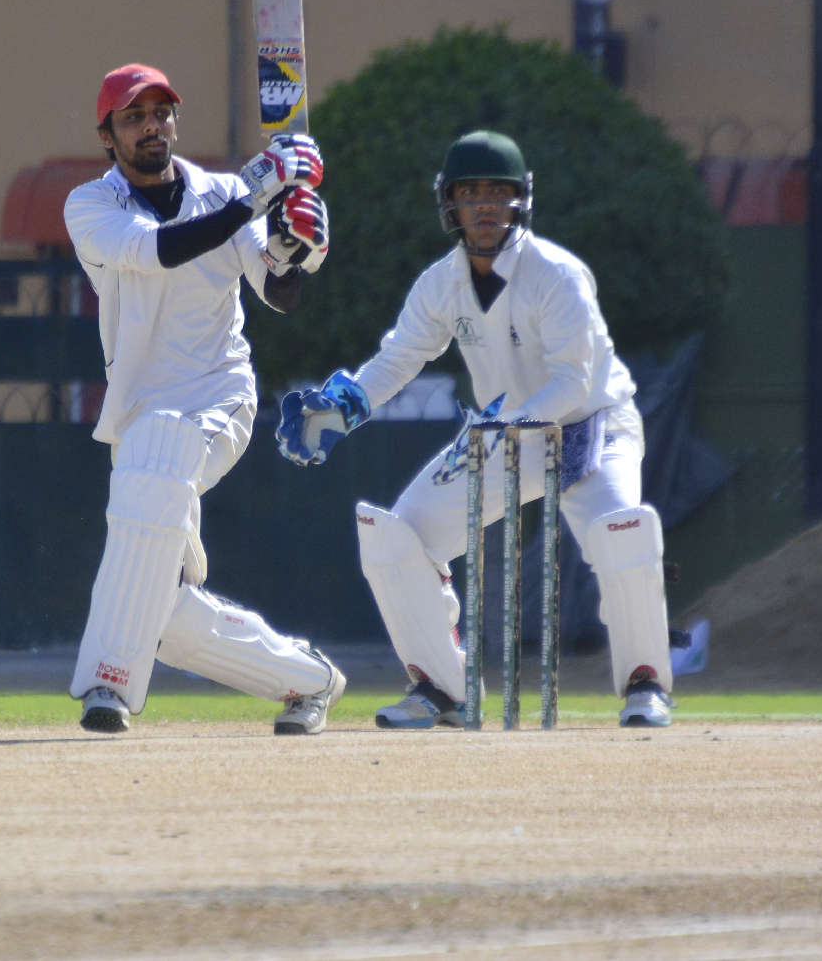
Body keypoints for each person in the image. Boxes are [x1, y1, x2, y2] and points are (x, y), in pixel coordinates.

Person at [275, 130, 675, 728]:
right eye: (470, 193)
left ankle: (646, 683)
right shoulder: (442, 283)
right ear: (450, 203)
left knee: (622, 532)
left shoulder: (558, 275)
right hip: (505, 433)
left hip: (593, 426)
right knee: (399, 535)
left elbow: (573, 382)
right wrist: (344, 406)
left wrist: (504, 426)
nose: (484, 206)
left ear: (521, 200)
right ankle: (444, 688)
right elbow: (399, 357)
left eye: (496, 192)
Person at [62, 62, 346, 735]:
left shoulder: (223, 191)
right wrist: (256, 196)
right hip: (139, 413)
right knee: (160, 608)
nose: (151, 126)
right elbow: (160, 251)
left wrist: (296, 246)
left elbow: (277, 292)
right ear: (107, 135)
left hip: (221, 397)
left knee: (158, 468)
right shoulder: (90, 207)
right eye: (134, 117)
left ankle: (107, 685)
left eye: (161, 113)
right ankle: (309, 680)